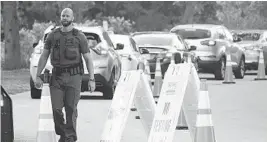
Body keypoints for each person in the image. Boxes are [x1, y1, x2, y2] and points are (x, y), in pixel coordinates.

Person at [34, 8, 95, 142]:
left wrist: (91, 79)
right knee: (56, 109)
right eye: (63, 16)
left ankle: (69, 138)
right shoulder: (52, 35)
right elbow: (44, 56)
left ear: (72, 18)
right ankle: (63, 133)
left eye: (67, 16)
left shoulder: (79, 36)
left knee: (71, 109)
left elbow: (88, 58)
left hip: (74, 77)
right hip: (57, 77)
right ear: (60, 18)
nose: (65, 18)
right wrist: (38, 75)